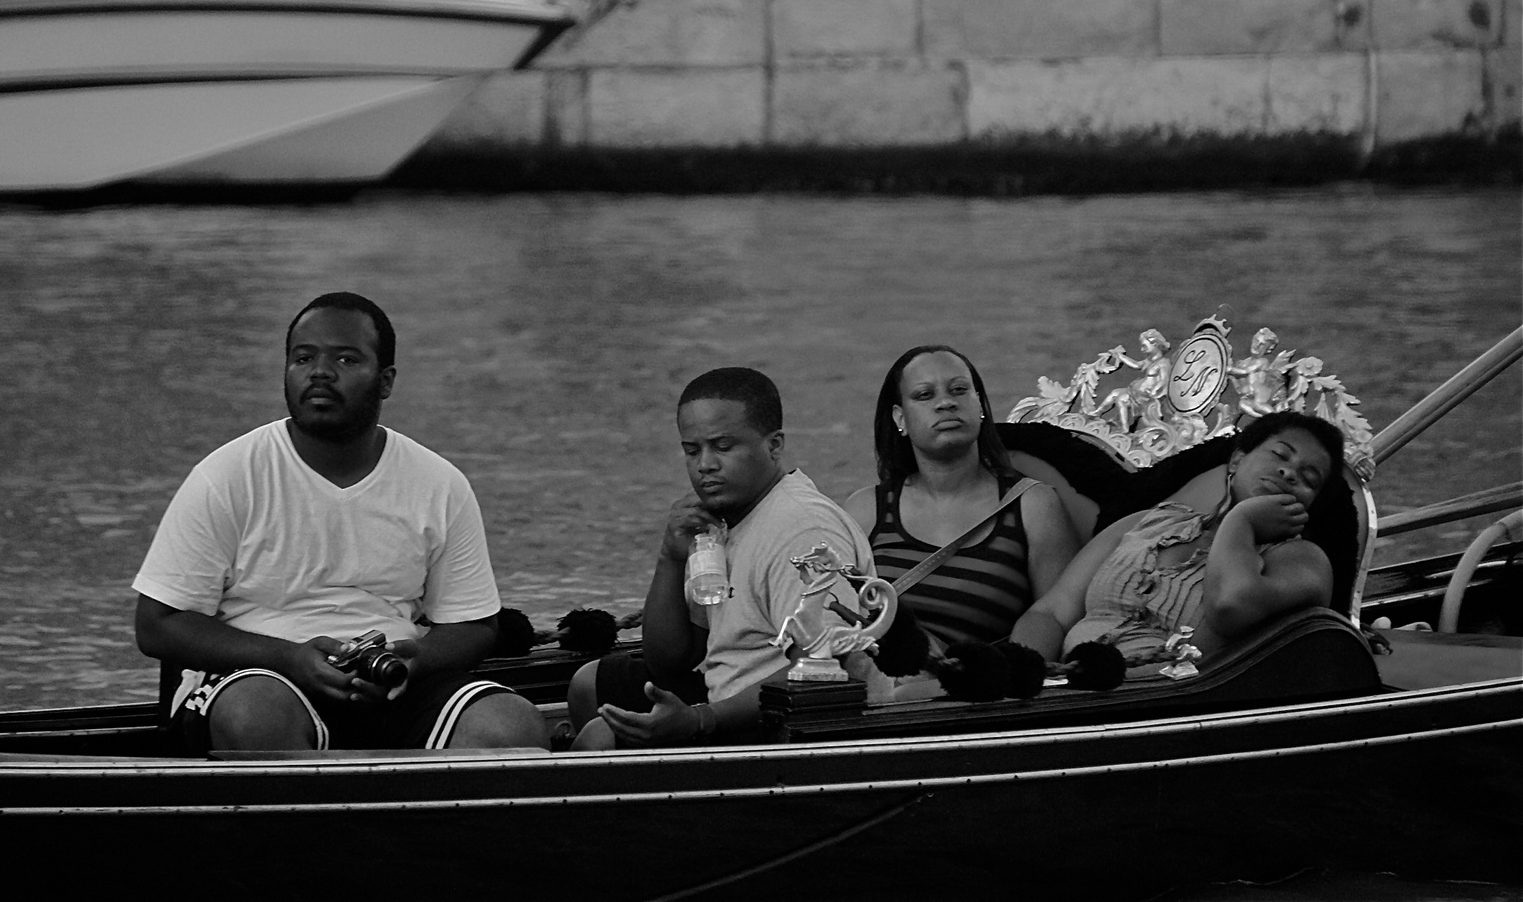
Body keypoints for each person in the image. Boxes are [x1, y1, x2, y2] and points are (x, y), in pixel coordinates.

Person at [133, 292, 547, 753]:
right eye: (303, 358)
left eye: (346, 359)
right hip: (258, 676)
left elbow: (474, 626)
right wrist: (289, 657)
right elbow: (157, 624)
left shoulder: (439, 483)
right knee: (256, 714)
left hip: (387, 683)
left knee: (513, 725)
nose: (320, 372)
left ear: (386, 381)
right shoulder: (227, 475)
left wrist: (415, 660)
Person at [566, 367, 877, 749]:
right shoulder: (724, 519)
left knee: (600, 736)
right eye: (692, 450)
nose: (705, 465)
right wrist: (671, 556)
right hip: (725, 691)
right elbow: (671, 658)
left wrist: (700, 719)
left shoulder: (803, 532)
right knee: (589, 684)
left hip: (783, 720)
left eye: (723, 447)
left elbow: (825, 671)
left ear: (774, 445)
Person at [1011, 411, 1349, 666]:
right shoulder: (1149, 523)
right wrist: (1028, 676)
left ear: (1311, 502)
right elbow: (1051, 613)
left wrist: (1241, 519)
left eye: (1308, 477)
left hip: (1170, 710)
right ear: (1237, 460)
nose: (1289, 472)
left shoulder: (1303, 561)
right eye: (1280, 455)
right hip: (1065, 691)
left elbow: (1230, 605)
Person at [842, 345, 1082, 659]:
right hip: (883, 697)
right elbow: (836, 618)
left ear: (980, 404)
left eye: (959, 390)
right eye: (925, 395)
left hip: (984, 695)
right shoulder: (865, 512)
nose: (945, 403)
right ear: (900, 417)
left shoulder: (1033, 506)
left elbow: (1060, 619)